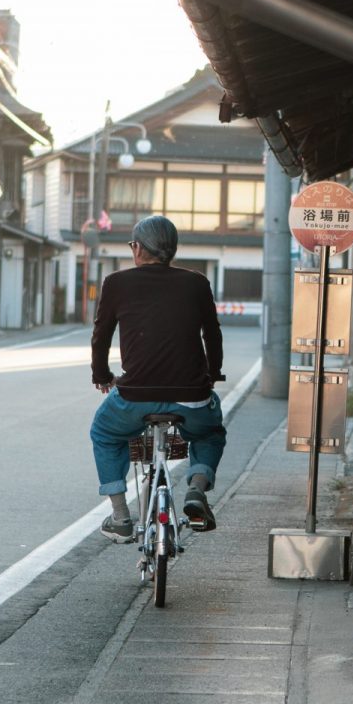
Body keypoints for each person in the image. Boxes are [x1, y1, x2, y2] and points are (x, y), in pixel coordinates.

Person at [89, 215, 226, 542]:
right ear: (172, 250)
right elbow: (212, 335)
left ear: (138, 248)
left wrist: (102, 376)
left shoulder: (116, 283)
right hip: (192, 396)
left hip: (135, 396)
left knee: (104, 432)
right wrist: (212, 375)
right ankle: (196, 489)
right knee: (209, 434)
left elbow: (101, 336)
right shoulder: (197, 283)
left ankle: (121, 516)